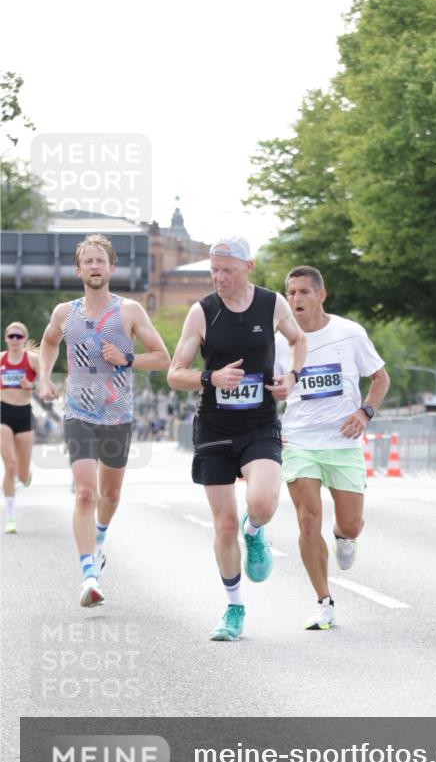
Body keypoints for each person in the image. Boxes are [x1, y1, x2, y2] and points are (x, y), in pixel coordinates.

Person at [167, 235, 306, 642]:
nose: (219, 278)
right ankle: (234, 608)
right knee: (224, 524)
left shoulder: (272, 304)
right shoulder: (202, 312)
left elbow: (299, 340)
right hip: (214, 428)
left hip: (259, 423)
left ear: (248, 267)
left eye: (227, 270)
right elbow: (175, 373)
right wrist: (211, 377)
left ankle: (255, 530)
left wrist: (292, 376)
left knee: (262, 503)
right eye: (214, 271)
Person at [38, 234, 170, 607]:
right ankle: (88, 576)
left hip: (117, 415)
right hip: (78, 412)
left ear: (112, 268)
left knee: (110, 495)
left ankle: (99, 538)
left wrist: (127, 359)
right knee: (85, 492)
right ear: (78, 270)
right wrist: (45, 377)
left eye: (100, 261)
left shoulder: (129, 311)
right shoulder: (64, 313)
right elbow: (49, 342)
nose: (94, 266)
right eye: (88, 261)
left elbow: (162, 357)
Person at [275, 265, 390, 630]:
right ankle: (324, 601)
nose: (296, 299)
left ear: (321, 295)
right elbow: (268, 389)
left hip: (343, 441)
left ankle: (344, 536)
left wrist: (365, 412)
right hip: (299, 440)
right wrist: (270, 428)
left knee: (352, 524)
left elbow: (380, 378)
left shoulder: (349, 333)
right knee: (308, 520)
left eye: (304, 292)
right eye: (291, 292)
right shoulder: (279, 341)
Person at [1, 322, 39, 534]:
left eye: (18, 336)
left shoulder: (32, 360)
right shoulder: (1, 359)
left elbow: (46, 386)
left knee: (22, 476)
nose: (14, 339)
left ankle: (27, 475)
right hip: (3, 413)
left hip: (24, 414)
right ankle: (10, 518)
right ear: (6, 338)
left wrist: (31, 385)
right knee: (10, 465)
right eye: (11, 336)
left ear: (24, 338)